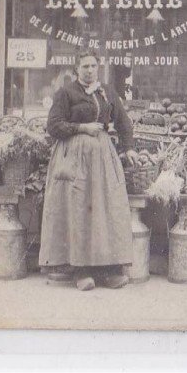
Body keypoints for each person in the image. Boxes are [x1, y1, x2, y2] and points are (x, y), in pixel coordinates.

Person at [38, 52, 140, 291]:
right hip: (75, 157)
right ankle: (81, 271)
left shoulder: (107, 91)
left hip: (103, 158)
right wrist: (82, 127)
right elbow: (53, 125)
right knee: (79, 211)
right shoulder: (66, 93)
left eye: (93, 65)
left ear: (98, 67)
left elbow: (124, 122)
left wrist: (129, 148)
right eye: (85, 66)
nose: (89, 70)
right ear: (76, 69)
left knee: (107, 209)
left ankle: (109, 270)